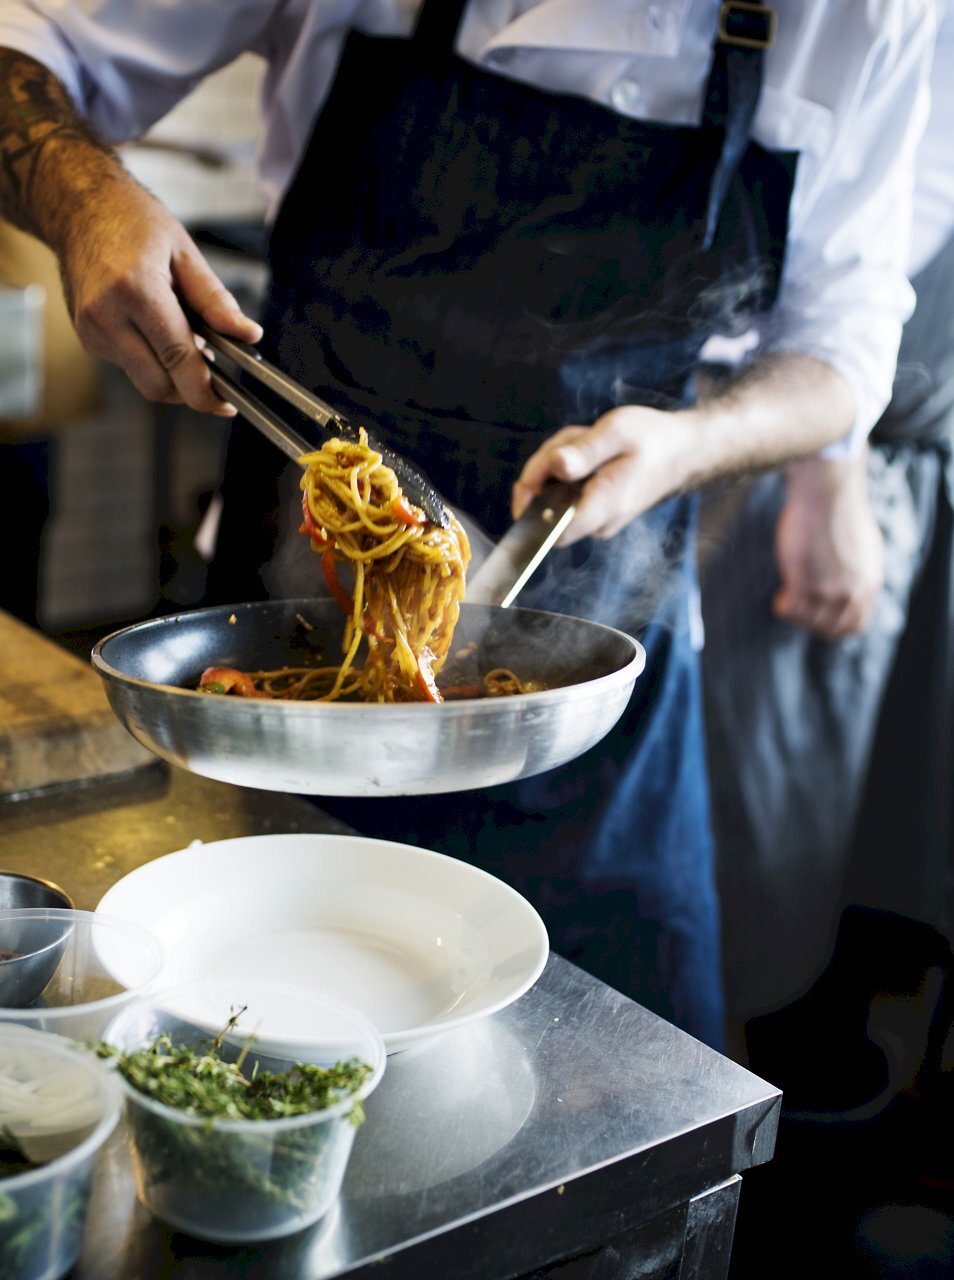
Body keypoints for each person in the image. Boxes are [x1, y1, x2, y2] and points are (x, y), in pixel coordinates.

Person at [0, 1, 937, 1052]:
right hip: (277, 660)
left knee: (620, 1087)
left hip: (594, 693)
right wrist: (87, 201)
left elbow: (842, 348)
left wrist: (683, 446)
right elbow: (30, 46)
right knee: (241, 1046)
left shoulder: (868, 14)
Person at [700, 2, 954, 1044]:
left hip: (883, 433)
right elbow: (876, 230)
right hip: (774, 438)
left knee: (836, 837)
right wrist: (827, 474)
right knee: (751, 837)